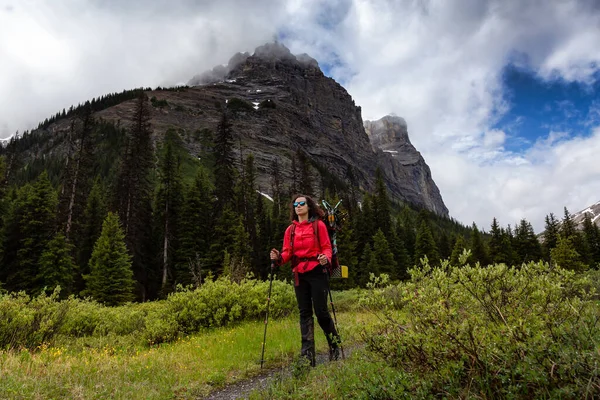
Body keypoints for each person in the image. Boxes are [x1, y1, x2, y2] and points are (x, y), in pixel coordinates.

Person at [270, 194, 341, 366]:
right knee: (304, 314)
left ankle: (334, 345)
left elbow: (326, 247)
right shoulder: (290, 230)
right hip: (299, 273)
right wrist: (279, 258)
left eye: (302, 203)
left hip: (317, 271)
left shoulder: (319, 226)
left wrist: (326, 258)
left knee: (321, 312)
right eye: (296, 204)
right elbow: (288, 252)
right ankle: (307, 356)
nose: (298, 206)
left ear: (309, 206)